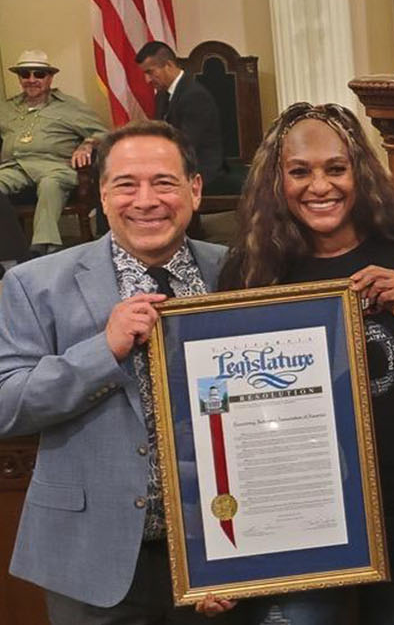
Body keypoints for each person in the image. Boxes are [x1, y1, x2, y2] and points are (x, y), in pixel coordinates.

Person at [217, 102, 394, 624]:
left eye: (335, 168)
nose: (318, 186)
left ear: (361, 173)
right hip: (298, 510)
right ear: (276, 182)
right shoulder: (252, 271)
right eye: (299, 171)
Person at [0, 120, 228, 622]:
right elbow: (8, 405)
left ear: (194, 189)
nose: (145, 200)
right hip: (90, 561)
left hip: (218, 550)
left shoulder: (239, 272)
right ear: (102, 196)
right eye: (126, 184)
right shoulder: (33, 284)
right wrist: (102, 350)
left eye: (163, 182)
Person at [0, 50, 108, 256]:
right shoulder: (7, 108)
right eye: (25, 74)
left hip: (56, 167)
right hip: (16, 167)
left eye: (39, 74)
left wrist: (87, 144)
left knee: (51, 184)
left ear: (50, 77)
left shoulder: (70, 107)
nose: (31, 80)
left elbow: (103, 133)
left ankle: (43, 247)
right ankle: (9, 250)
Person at [135, 41, 226, 189]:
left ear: (169, 65)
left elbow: (186, 145)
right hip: (174, 163)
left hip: (200, 169)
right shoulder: (161, 96)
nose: (147, 80)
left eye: (150, 72)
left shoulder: (194, 95)